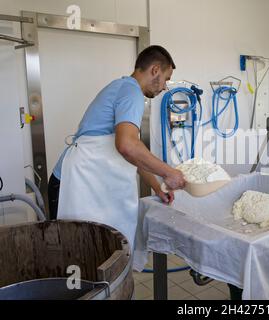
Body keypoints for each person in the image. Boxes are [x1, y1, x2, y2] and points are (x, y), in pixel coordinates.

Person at [48, 45, 186, 249]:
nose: (165, 87)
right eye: (166, 78)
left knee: (89, 254)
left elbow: (133, 155)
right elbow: (127, 146)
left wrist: (157, 187)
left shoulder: (122, 87)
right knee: (75, 254)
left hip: (78, 181)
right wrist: (169, 173)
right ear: (155, 70)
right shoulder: (132, 92)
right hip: (73, 184)